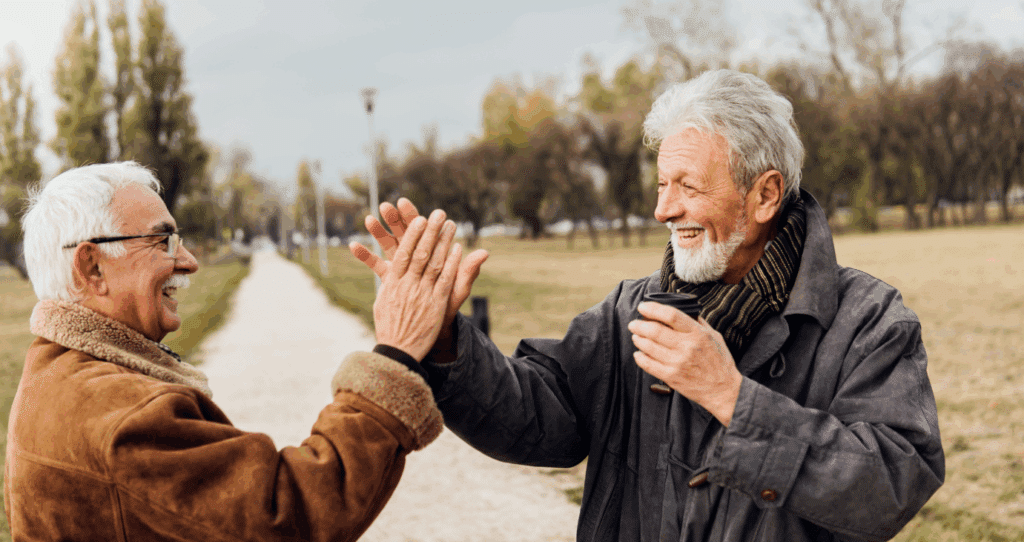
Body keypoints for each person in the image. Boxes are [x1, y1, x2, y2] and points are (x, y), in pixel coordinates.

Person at [350, 69, 945, 541]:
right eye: (662, 186)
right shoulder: (629, 312)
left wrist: (733, 399)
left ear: (765, 195)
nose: (664, 210)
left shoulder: (868, 320)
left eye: (688, 186)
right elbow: (535, 420)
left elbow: (893, 483)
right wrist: (444, 338)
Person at [4, 161, 463, 541]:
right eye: (163, 241)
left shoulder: (52, 374)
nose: (188, 262)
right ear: (92, 267)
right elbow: (285, 515)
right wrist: (396, 355)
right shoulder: (120, 419)